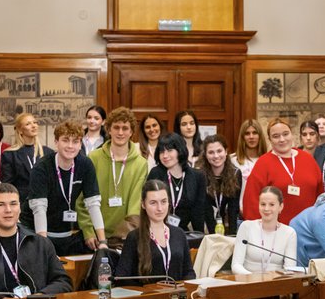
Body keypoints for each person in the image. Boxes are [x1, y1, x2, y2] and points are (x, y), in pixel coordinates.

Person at [28, 120, 106, 255]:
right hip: (37, 230)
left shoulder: (85, 165)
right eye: (65, 140)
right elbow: (39, 209)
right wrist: (44, 247)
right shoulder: (42, 167)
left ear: (80, 144)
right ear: (56, 142)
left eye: (75, 141)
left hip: (67, 232)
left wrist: (103, 242)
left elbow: (93, 204)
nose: (70, 146)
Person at [77, 107, 148, 247]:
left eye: (125, 128)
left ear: (131, 132)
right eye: (116, 127)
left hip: (125, 237)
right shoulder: (93, 158)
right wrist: (88, 231)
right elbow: (81, 198)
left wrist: (124, 236)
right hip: (94, 236)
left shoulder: (141, 164)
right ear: (109, 129)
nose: (120, 132)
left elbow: (135, 206)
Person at [242, 119, 324, 225]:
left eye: (285, 134)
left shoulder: (308, 160)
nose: (282, 139)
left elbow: (320, 197)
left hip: (308, 230)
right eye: (276, 136)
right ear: (270, 139)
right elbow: (251, 202)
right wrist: (258, 230)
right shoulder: (263, 164)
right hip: (275, 231)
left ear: (292, 134)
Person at [115, 180, 196, 283]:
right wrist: (146, 290)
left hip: (177, 291)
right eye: (153, 203)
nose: (160, 208)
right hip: (147, 292)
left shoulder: (179, 234)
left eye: (163, 201)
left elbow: (189, 272)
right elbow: (121, 276)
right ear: (143, 204)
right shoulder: (134, 237)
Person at [146, 133, 208, 235]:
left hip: (183, 233)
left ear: (180, 150)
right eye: (162, 151)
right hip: (157, 231)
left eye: (170, 150)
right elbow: (148, 206)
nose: (165, 156)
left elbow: (198, 211)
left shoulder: (197, 176)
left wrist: (199, 237)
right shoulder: (155, 173)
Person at [1, 113, 54, 222]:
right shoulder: (10, 155)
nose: (34, 126)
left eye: (35, 122)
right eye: (28, 124)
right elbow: (8, 186)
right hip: (22, 209)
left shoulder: (48, 153)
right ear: (20, 130)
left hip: (46, 208)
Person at [195, 134, 242, 235]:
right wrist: (213, 236)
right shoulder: (199, 175)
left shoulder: (236, 173)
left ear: (226, 151)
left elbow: (233, 208)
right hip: (205, 225)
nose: (216, 156)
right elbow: (205, 208)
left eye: (219, 151)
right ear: (205, 155)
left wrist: (232, 236)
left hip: (226, 222)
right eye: (211, 152)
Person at [231, 119, 268, 215]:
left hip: (264, 213)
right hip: (239, 214)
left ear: (260, 136)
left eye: (255, 133)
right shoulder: (232, 160)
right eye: (247, 133)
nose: (251, 137)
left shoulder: (268, 160)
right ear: (242, 137)